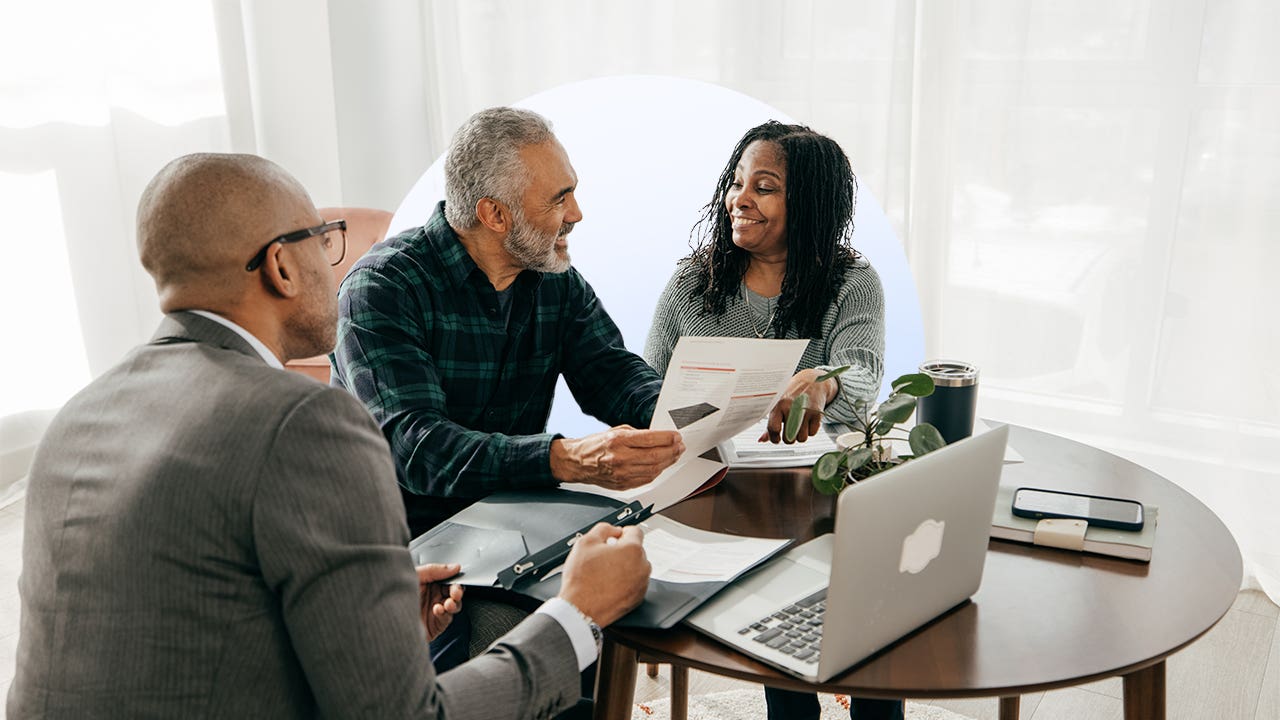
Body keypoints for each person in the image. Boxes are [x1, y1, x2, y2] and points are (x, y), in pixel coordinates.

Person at [7, 153, 651, 720]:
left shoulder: (77, 416)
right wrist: (576, 615)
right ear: (282, 266)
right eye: (325, 237)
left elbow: (194, 618)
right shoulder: (303, 422)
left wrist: (371, 612)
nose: (337, 259)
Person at [331, 107, 684, 671]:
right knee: (534, 651)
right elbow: (419, 449)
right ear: (494, 214)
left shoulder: (554, 277)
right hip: (406, 543)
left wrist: (689, 411)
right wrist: (564, 459)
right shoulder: (382, 287)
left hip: (512, 523)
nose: (577, 214)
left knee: (629, 604)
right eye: (558, 199)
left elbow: (613, 374)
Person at [643, 122, 899, 720]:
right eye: (737, 184)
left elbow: (862, 375)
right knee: (776, 630)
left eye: (765, 187)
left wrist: (826, 378)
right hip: (717, 493)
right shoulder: (692, 281)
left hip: (815, 492)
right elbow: (644, 383)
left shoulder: (852, 283)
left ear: (808, 201)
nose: (741, 199)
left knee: (873, 613)